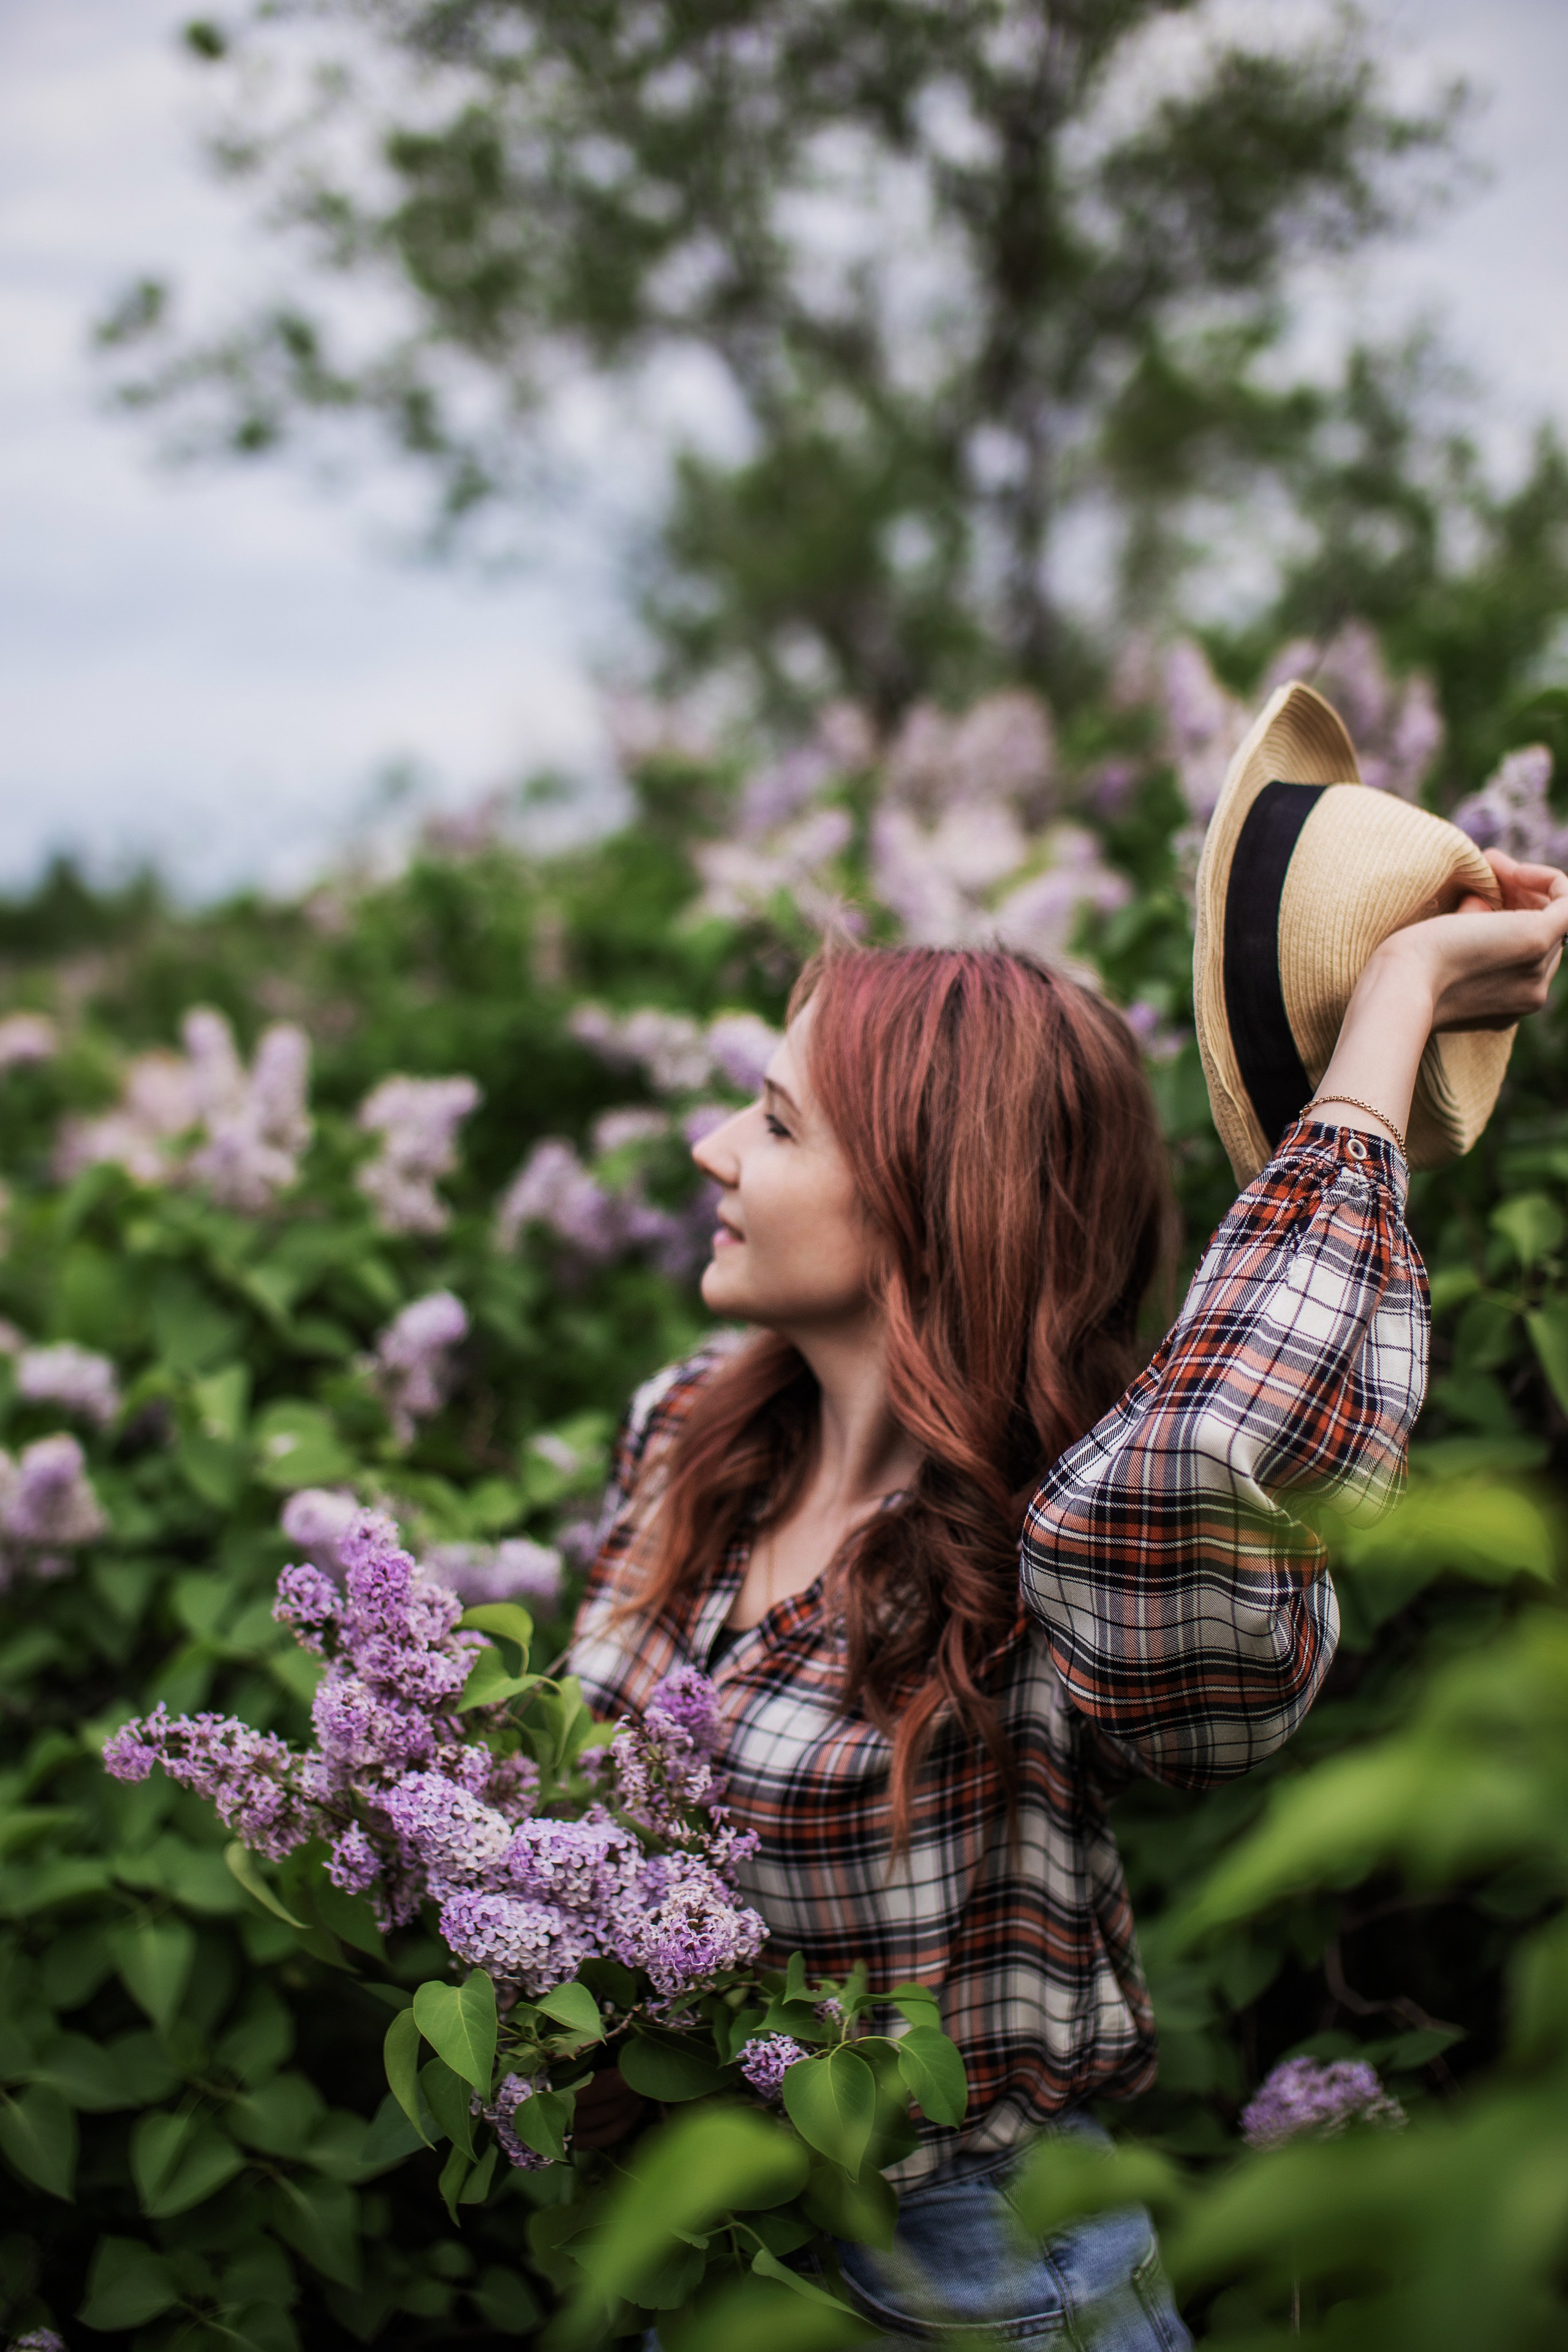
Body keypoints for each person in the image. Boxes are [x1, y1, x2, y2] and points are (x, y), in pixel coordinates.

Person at [567, 849, 1568, 2348]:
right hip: (688, 2257)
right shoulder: (682, 1432)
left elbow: (1206, 1457)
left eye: (774, 1124)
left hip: (964, 2291)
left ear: (925, 1195)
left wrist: (1394, 1012)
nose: (711, 1149)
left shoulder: (1057, 1544)